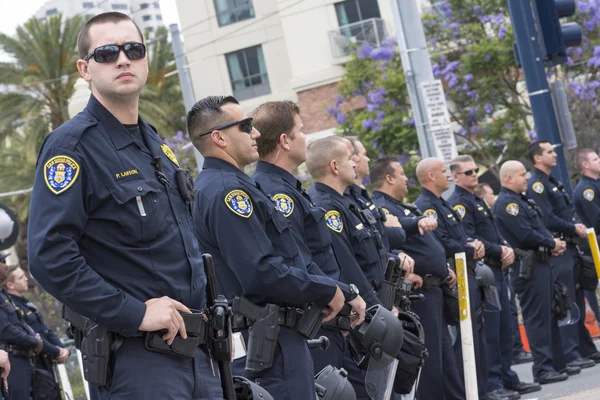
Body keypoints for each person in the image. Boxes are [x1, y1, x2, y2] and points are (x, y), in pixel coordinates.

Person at [27, 12, 223, 399]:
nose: (122, 59)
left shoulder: (155, 145)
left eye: (133, 49)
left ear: (145, 59)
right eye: (106, 52)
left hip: (196, 352)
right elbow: (49, 256)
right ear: (85, 68)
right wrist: (135, 313)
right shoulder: (71, 148)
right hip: (137, 360)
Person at [188, 96, 364, 400]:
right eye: (245, 126)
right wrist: (328, 291)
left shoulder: (231, 185)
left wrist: (336, 288)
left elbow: (291, 258)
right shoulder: (228, 192)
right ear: (218, 138)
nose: (255, 133)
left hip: (277, 338)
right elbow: (260, 272)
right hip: (269, 345)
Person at [250, 101, 372, 375]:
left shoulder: (287, 187)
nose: (307, 137)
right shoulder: (276, 193)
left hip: (328, 309)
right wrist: (342, 291)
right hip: (315, 317)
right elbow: (297, 260)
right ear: (284, 140)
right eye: (301, 130)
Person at [306, 136, 394, 398]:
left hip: (367, 310)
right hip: (354, 317)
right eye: (349, 158)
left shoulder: (345, 201)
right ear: (335, 166)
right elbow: (348, 266)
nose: (355, 162)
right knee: (365, 390)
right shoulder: (326, 206)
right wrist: (376, 309)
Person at [370, 157, 465, 400]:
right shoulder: (383, 207)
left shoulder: (401, 206)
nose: (406, 178)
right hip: (417, 294)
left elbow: (423, 245)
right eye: (401, 174)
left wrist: (443, 267)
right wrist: (406, 270)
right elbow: (389, 243)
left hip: (436, 289)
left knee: (444, 362)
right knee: (430, 364)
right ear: (389, 178)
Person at [448, 156, 540, 399]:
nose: (474, 175)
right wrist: (499, 250)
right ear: (456, 176)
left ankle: (507, 377)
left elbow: (492, 232)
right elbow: (470, 238)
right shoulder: (459, 203)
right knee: (490, 332)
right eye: (468, 172)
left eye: (475, 170)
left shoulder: (476, 198)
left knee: (504, 327)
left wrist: (504, 246)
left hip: (497, 270)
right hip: (483, 273)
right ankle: (493, 383)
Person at [414, 157, 489, 399]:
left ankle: (479, 392)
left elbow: (457, 236)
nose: (448, 175)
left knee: (473, 340)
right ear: (431, 176)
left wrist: (471, 245)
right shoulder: (427, 206)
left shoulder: (441, 204)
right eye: (444, 171)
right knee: (460, 345)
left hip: (466, 274)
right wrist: (468, 249)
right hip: (451, 280)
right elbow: (442, 243)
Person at [495, 160, 572, 384]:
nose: (526, 178)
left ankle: (555, 364)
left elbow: (538, 229)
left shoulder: (521, 200)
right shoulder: (508, 204)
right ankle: (543, 368)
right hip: (528, 269)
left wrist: (552, 244)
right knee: (537, 318)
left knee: (551, 313)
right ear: (508, 178)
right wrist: (552, 243)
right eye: (521, 175)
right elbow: (526, 234)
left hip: (542, 263)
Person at [527, 141, 597, 369]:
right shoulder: (537, 184)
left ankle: (585, 348)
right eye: (549, 152)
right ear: (538, 158)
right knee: (566, 301)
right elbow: (547, 219)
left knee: (577, 298)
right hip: (557, 248)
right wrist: (572, 227)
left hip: (569, 246)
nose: (554, 154)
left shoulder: (551, 181)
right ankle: (571, 353)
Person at [344, 138, 409, 268]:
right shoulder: (346, 200)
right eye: (363, 154)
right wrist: (396, 230)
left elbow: (380, 238)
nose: (367, 159)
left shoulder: (360, 196)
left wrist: (397, 253)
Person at [6, 266, 69, 398]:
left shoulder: (25, 302)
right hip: (36, 363)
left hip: (47, 362)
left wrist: (63, 349)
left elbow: (45, 330)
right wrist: (57, 352)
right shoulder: (13, 307)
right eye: (21, 277)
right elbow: (34, 335)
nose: (26, 279)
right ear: (10, 284)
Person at [0, 253, 43, 399]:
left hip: (21, 357)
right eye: (2, 261)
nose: (5, 265)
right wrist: (34, 342)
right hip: (12, 360)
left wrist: (34, 340)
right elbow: (5, 329)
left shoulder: (2, 294)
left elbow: (18, 323)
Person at [573, 149, 600, 326]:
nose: (599, 160)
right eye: (595, 159)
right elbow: (596, 221)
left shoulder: (595, 184)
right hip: (595, 245)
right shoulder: (585, 190)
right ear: (585, 165)